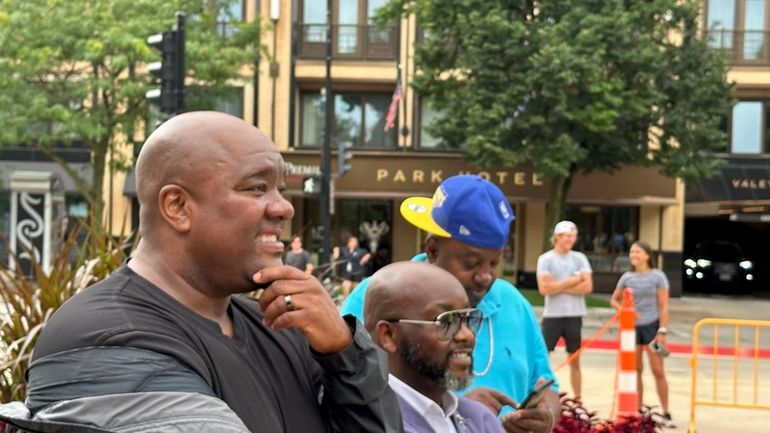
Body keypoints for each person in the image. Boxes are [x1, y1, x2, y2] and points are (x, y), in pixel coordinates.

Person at [21, 112, 402, 433]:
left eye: (280, 189)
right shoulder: (103, 337)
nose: (284, 208)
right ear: (177, 206)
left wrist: (343, 353)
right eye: (257, 188)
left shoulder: (282, 328)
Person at [341, 175, 559, 433]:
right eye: (471, 263)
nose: (484, 276)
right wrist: (454, 413)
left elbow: (548, 387)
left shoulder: (514, 303)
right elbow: (342, 390)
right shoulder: (378, 295)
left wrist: (544, 415)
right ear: (432, 249)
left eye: (494, 262)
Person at [364, 261, 506, 433]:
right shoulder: (366, 423)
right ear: (388, 335)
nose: (467, 335)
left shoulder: (480, 420)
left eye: (467, 319)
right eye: (447, 321)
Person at [610, 241, 674, 428]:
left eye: (638, 251)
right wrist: (624, 310)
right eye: (631, 252)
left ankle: (666, 412)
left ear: (647, 255)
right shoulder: (627, 277)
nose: (633, 255)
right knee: (635, 369)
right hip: (632, 328)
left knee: (658, 370)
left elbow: (664, 306)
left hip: (652, 326)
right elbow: (614, 300)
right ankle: (638, 410)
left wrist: (662, 330)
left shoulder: (658, 276)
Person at [536, 220, 593, 401]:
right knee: (543, 357)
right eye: (567, 235)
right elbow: (544, 289)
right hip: (552, 315)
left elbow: (587, 286)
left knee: (575, 358)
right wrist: (573, 280)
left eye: (573, 236)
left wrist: (557, 286)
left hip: (574, 315)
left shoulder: (579, 258)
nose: (571, 239)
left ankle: (578, 398)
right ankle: (540, 394)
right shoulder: (546, 259)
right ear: (557, 237)